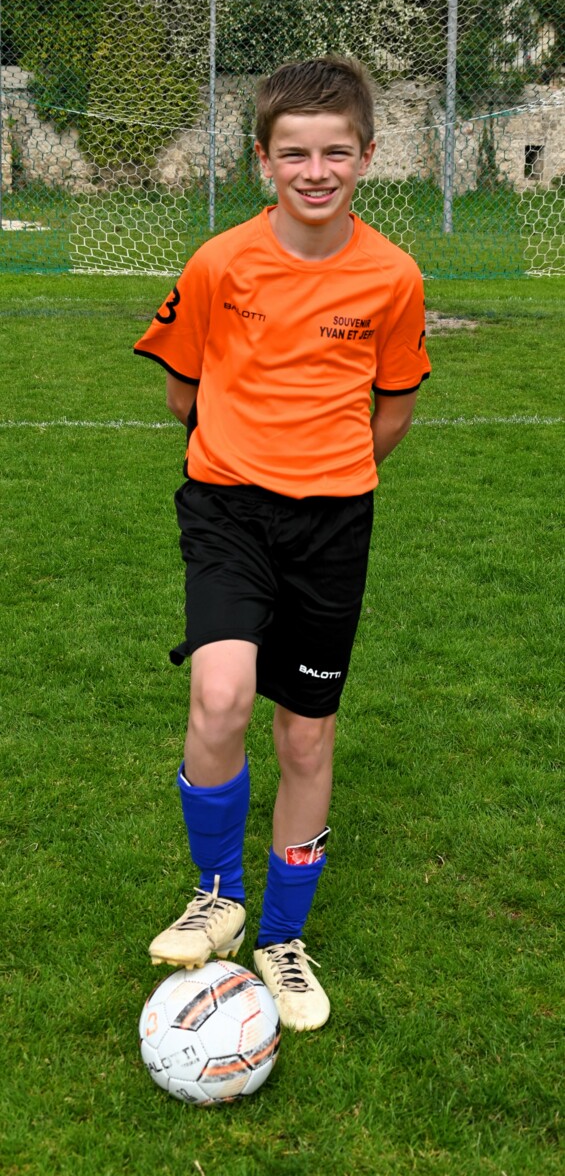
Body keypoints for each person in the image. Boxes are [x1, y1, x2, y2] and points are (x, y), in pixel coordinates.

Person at [134, 55, 430, 1031]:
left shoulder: (393, 276)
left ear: (367, 157)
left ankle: (282, 938)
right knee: (219, 694)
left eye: (335, 152)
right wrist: (246, 453)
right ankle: (218, 895)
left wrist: (325, 467)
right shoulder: (219, 263)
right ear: (262, 159)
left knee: (305, 732)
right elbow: (181, 390)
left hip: (333, 521)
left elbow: (393, 410)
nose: (315, 170)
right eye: (294, 153)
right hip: (227, 507)